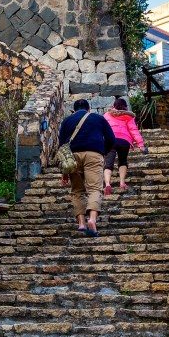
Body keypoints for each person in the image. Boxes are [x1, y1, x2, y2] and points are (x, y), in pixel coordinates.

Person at [57, 98, 115, 237]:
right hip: (94, 155)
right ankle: (92, 219)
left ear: (74, 110)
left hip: (72, 157)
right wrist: (103, 152)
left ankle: (82, 223)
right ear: (89, 109)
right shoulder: (98, 118)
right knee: (94, 188)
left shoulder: (67, 121)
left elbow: (61, 147)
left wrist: (64, 172)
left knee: (77, 190)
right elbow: (111, 139)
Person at [102, 97, 146, 194]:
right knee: (122, 161)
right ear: (125, 107)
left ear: (114, 106)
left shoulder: (107, 115)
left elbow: (102, 129)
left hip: (111, 140)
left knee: (108, 163)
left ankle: (108, 184)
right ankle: (122, 183)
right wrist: (141, 145)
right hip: (124, 141)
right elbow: (134, 131)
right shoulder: (129, 117)